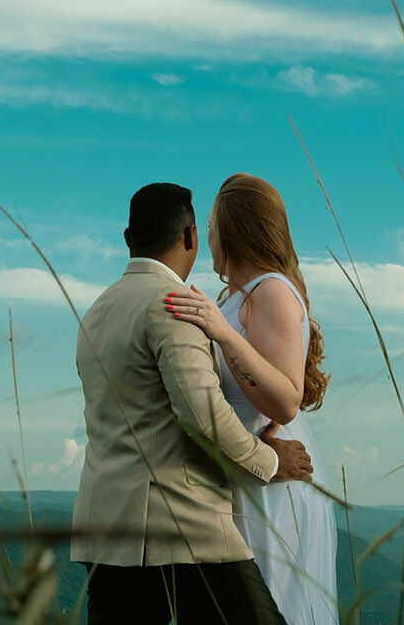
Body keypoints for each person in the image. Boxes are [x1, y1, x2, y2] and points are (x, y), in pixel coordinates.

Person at [72, 181, 313, 625]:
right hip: (181, 528)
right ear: (188, 237)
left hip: (104, 531)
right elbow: (202, 416)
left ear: (128, 239)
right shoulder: (172, 304)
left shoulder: (97, 311)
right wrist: (270, 461)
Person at [162, 173, 338, 625]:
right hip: (244, 473)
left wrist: (220, 333)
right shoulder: (232, 297)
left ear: (235, 230)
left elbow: (285, 401)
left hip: (272, 485)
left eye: (213, 228)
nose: (208, 240)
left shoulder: (273, 291)